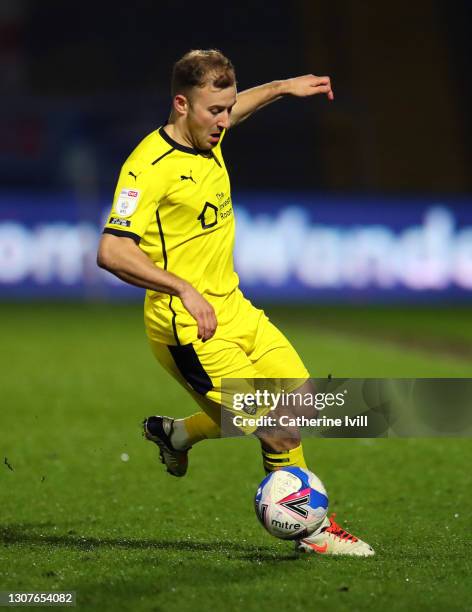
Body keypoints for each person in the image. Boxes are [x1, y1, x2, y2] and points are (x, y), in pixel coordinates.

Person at [97, 49, 374, 556]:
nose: (224, 121)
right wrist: (182, 287)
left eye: (227, 110)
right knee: (277, 430)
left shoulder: (210, 135)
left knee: (302, 400)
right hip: (188, 328)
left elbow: (239, 106)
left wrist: (282, 86)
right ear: (181, 104)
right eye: (214, 111)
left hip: (235, 307)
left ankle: (178, 436)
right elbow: (111, 250)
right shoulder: (147, 167)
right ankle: (311, 533)